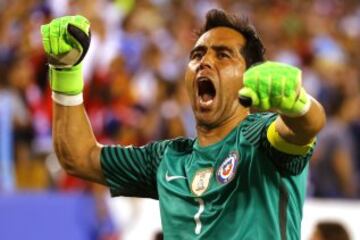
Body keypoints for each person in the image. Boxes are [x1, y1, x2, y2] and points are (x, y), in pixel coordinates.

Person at [40, 9, 326, 239]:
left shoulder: (262, 138)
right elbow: (78, 156)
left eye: (223, 55)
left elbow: (306, 126)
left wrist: (297, 102)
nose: (204, 62)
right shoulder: (167, 159)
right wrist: (64, 72)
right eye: (197, 55)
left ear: (248, 76)